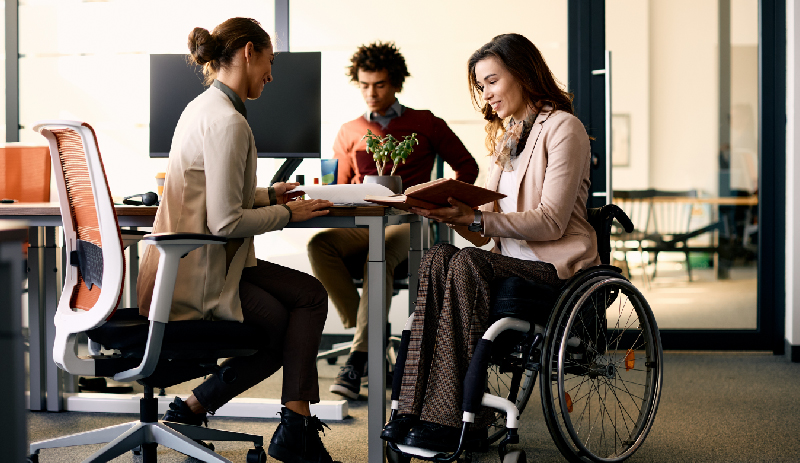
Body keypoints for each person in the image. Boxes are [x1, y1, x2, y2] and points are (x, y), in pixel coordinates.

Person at [379, 33, 601, 452]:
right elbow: (486, 225)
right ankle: (411, 408)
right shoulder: (507, 138)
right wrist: (449, 214)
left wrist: (476, 217)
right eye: (481, 87)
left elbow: (551, 222)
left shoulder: (564, 128)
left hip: (554, 268)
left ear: (523, 73)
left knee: (464, 265)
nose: (486, 96)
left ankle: (449, 418)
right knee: (440, 256)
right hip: (507, 261)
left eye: (492, 82)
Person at [135, 17, 340, 463]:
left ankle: (201, 407)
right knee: (294, 320)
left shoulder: (202, 107)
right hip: (199, 275)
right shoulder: (228, 121)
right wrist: (288, 213)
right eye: (269, 61)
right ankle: (295, 427)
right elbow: (226, 222)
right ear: (249, 52)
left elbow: (215, 195)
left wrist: (269, 194)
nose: (271, 74)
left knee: (306, 297)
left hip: (190, 264)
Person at [307, 41, 479, 400]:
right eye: (364, 85)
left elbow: (468, 167)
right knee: (319, 244)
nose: (371, 93)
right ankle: (370, 340)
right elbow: (340, 183)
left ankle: (358, 358)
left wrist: (436, 199)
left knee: (380, 251)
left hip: (409, 223)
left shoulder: (426, 123)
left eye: (380, 85)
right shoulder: (349, 130)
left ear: (396, 83)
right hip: (361, 224)